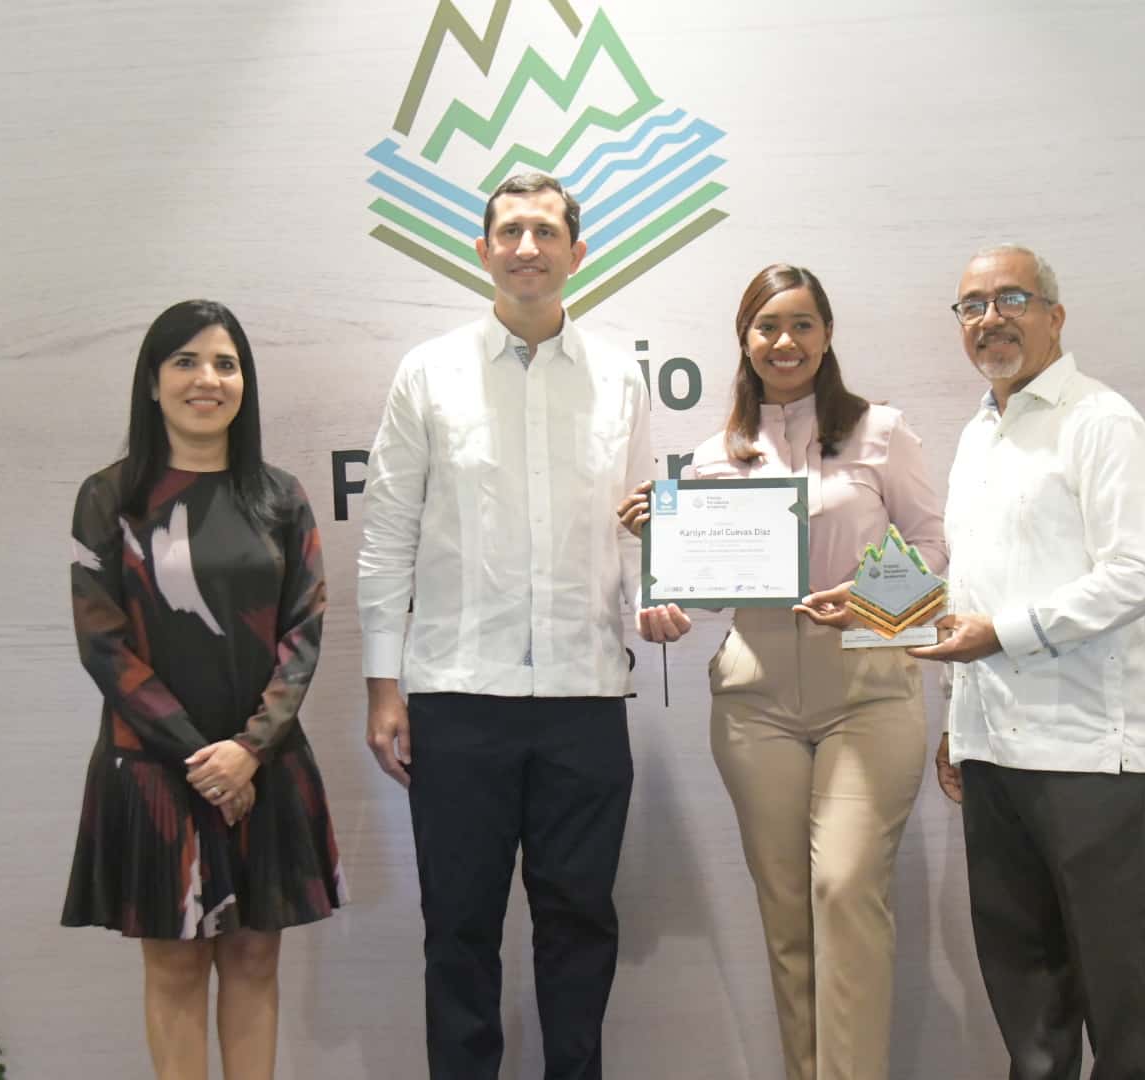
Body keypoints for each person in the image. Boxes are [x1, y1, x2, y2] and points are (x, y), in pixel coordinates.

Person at [620, 263, 946, 1080]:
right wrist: (661, 593)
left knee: (843, 890)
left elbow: (938, 552)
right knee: (788, 916)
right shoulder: (713, 456)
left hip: (868, 694)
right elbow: (689, 590)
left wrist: (871, 603)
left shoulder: (882, 432)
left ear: (827, 334)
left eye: (801, 324)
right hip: (754, 702)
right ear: (745, 341)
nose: (784, 341)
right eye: (767, 326)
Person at [357, 172, 650, 1079]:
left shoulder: (621, 378)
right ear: (481, 250)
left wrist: (654, 603)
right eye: (511, 231)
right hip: (456, 696)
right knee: (458, 930)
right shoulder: (428, 373)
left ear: (578, 252)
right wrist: (383, 686)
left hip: (584, 697)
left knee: (581, 929)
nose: (529, 246)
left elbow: (640, 525)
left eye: (546, 231)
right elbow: (388, 534)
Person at [62, 300, 346, 1080]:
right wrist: (202, 759)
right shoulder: (110, 497)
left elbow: (303, 634)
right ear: (152, 383)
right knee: (176, 969)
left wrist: (249, 752)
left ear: (244, 384)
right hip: (156, 772)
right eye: (185, 362)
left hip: (265, 766)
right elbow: (103, 643)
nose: (206, 380)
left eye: (225, 363)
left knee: (255, 964)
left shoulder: (280, 498)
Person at [912, 244, 1145, 1078]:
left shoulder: (1102, 421)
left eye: (1011, 298)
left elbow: (1142, 573)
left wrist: (1005, 633)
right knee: (1027, 1002)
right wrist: (956, 713)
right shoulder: (975, 435)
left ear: (1055, 316)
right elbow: (971, 587)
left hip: (1090, 752)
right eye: (972, 306)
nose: (991, 319)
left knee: (1117, 1000)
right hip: (992, 752)